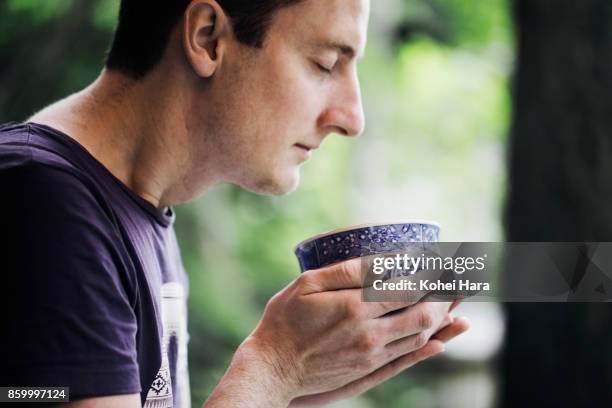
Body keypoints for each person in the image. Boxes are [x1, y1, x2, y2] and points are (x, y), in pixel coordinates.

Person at [0, 0, 469, 407]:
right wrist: (273, 369)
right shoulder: (44, 201)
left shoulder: (131, 210)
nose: (352, 118)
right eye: (325, 63)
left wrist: (292, 388)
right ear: (207, 38)